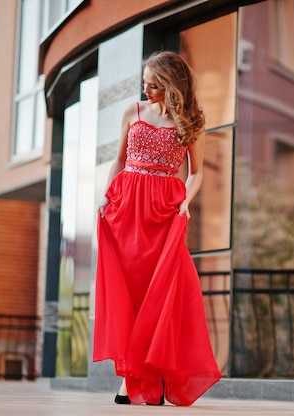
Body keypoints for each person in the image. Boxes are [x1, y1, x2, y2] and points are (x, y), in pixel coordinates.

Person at [92, 51, 221, 406]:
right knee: (130, 294)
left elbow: (195, 173)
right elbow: (119, 159)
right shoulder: (131, 111)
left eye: (154, 84)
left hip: (164, 210)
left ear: (170, 86)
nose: (146, 89)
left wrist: (186, 202)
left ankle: (155, 377)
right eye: (144, 83)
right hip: (126, 206)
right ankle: (130, 379)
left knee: (160, 295)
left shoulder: (192, 120)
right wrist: (106, 197)